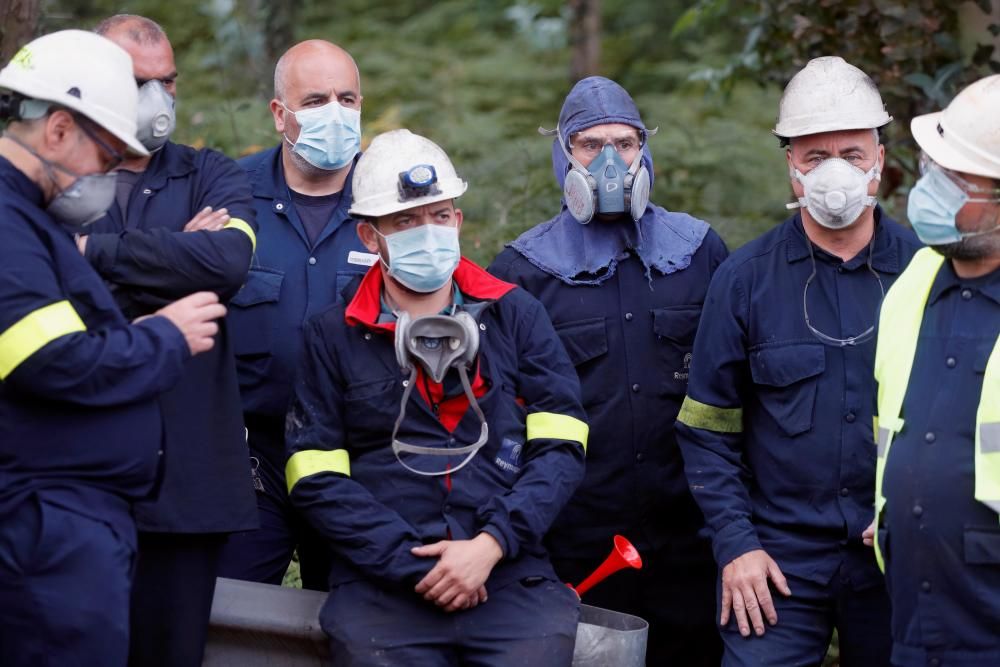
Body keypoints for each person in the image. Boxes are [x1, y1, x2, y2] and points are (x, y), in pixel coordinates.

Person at [286, 129, 587, 665]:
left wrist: (491, 544)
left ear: (458, 221)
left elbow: (562, 448)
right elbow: (315, 477)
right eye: (405, 221)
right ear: (369, 236)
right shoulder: (331, 335)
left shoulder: (516, 316)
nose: (428, 231)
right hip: (383, 589)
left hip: (509, 578)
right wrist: (414, 564)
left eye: (440, 215)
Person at [675, 56, 922, 666]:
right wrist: (736, 546)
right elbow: (706, 432)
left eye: (852, 153)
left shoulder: (928, 275)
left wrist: (914, 507)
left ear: (879, 161)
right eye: (814, 157)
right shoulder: (744, 281)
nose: (834, 171)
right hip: (775, 558)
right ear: (791, 170)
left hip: (901, 549)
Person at [0, 30, 226, 666]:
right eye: (106, 153)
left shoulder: (30, 220)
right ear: (59, 130)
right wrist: (162, 336)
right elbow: (48, 360)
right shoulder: (8, 222)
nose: (107, 174)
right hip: (45, 525)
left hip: (65, 524)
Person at [488, 75, 728, 665]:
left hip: (689, 540)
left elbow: (732, 390)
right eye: (590, 145)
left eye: (624, 143)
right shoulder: (523, 272)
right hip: (576, 540)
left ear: (645, 149)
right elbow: (500, 417)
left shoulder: (699, 254)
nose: (610, 161)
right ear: (562, 153)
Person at [83, 15, 258, 667]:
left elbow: (226, 266)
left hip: (186, 484)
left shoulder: (210, 171)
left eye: (168, 82)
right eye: (137, 82)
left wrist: (91, 252)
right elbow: (44, 282)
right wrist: (175, 255)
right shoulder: (58, 178)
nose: (158, 99)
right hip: (79, 477)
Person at [218, 39, 370, 591]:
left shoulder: (391, 203)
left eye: (347, 98)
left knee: (355, 621)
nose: (335, 112)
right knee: (227, 610)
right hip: (251, 459)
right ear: (280, 114)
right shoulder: (229, 196)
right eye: (315, 100)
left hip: (360, 462)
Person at [870, 74, 1000, 667]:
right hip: (915, 615)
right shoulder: (912, 282)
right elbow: (894, 421)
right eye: (931, 169)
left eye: (955, 178)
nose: (931, 190)